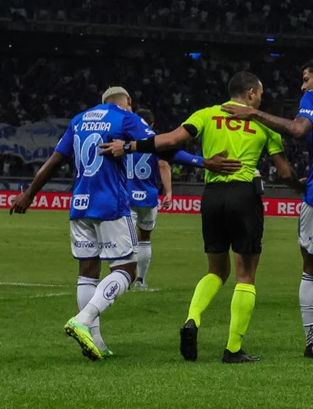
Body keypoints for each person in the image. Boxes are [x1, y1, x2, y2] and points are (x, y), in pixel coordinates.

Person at [12, 86, 237, 361]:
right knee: (127, 270)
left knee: (87, 272)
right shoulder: (125, 118)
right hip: (111, 204)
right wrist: (203, 162)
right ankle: (82, 320)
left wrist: (29, 194)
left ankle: (94, 340)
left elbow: (55, 160)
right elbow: (162, 147)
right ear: (128, 101)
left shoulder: (79, 119)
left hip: (80, 203)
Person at [107, 72, 297, 364]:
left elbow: (169, 141)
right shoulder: (262, 120)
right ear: (249, 93)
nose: (261, 98)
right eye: (259, 93)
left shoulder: (207, 114)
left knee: (216, 271)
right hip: (244, 195)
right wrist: (303, 186)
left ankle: (192, 318)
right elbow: (283, 173)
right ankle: (233, 349)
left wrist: (129, 146)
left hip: (212, 198)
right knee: (245, 274)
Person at [221, 58, 313, 364]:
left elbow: (297, 129)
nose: (303, 86)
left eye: (306, 79)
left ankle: (312, 341)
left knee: (312, 270)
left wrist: (254, 113)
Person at [123, 109, 172, 290]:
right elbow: (163, 164)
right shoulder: (155, 141)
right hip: (149, 197)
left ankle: (124, 277)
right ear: (151, 125)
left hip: (127, 196)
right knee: (145, 239)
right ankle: (140, 281)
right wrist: (168, 192)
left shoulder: (125, 141)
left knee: (128, 240)